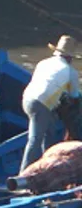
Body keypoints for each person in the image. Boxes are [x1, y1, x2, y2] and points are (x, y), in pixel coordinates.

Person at [22, 35, 82, 169]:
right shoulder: (70, 71)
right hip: (41, 104)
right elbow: (74, 97)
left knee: (50, 134)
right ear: (69, 57)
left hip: (27, 99)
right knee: (35, 139)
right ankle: (22, 176)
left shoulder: (43, 63)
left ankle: (47, 168)